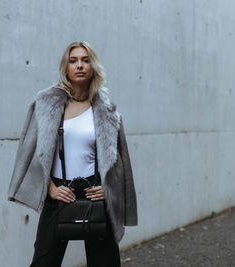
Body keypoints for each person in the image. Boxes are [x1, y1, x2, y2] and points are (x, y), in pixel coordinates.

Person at [8, 41, 138, 267]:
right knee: (44, 262)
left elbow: (119, 162)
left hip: (93, 194)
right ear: (66, 67)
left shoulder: (108, 111)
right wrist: (50, 188)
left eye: (85, 60)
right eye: (73, 60)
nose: (80, 65)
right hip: (59, 192)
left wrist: (108, 189)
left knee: (105, 263)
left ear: (93, 67)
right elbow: (30, 154)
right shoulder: (47, 104)